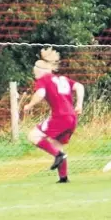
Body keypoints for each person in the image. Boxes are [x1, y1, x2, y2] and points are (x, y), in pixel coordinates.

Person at [23, 47, 85, 184]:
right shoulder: (62, 79)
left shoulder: (44, 79)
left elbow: (40, 94)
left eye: (35, 72)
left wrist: (29, 105)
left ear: (40, 70)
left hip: (60, 117)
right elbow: (80, 86)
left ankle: (58, 156)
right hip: (72, 118)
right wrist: (79, 104)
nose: (34, 76)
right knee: (57, 144)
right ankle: (63, 178)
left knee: (33, 136)